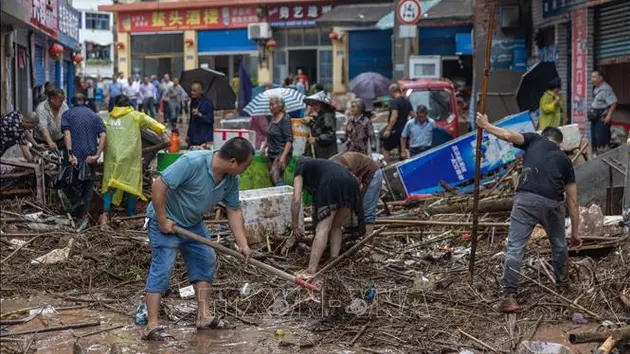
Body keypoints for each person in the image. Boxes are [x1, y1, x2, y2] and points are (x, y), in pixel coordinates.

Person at [143, 138, 254, 341]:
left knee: (206, 259)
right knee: (163, 268)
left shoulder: (231, 179)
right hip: (167, 222)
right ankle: (152, 326)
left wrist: (243, 243)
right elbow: (159, 185)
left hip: (193, 223)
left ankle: (203, 316)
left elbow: (234, 209)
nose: (246, 170)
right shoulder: (192, 162)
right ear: (232, 161)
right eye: (245, 166)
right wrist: (162, 220)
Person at [475, 112, 581, 312]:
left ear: (543, 135)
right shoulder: (565, 159)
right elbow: (573, 201)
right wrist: (575, 233)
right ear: (560, 143)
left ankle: (510, 297)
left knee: (515, 247)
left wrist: (486, 125)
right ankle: (562, 286)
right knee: (559, 245)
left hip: (525, 199)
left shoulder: (534, 139)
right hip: (552, 202)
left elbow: (508, 136)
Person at [291, 157, 365, 278]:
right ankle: (333, 260)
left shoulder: (300, 166)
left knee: (323, 228)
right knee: (336, 226)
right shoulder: (322, 164)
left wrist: (295, 225)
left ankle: (310, 271)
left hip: (330, 184)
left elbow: (296, 198)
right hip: (352, 184)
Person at [100, 95, 167, 227]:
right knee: (131, 182)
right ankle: (130, 213)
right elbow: (153, 123)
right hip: (130, 155)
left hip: (112, 156)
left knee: (109, 182)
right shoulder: (136, 116)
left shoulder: (110, 118)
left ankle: (105, 211)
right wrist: (164, 135)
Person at [61, 94, 106, 231]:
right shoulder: (94, 115)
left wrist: (70, 154)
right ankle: (84, 216)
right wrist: (97, 155)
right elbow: (103, 135)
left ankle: (75, 215)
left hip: (74, 157)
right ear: (85, 102)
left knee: (71, 185)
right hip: (89, 157)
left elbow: (67, 134)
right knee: (88, 187)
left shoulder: (67, 115)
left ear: (72, 102)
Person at [330, 152, 383, 236]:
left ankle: (367, 241)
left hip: (372, 173)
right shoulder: (329, 173)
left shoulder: (341, 170)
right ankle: (354, 234)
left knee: (367, 209)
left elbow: (359, 186)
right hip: (357, 174)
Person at [260, 96, 293, 186]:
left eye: (272, 105)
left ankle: (287, 193)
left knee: (274, 175)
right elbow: (269, 134)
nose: (270, 107)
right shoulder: (272, 118)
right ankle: (279, 197)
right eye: (269, 105)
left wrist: (283, 156)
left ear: (280, 106)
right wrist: (264, 147)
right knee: (273, 178)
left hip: (281, 152)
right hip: (271, 152)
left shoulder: (285, 119)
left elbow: (289, 139)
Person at [381, 84, 412, 163]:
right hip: (405, 130)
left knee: (385, 148)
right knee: (403, 149)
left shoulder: (395, 101)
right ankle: (408, 166)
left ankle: (386, 168)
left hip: (396, 130)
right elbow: (412, 114)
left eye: (389, 93)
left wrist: (388, 129)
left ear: (392, 92)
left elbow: (394, 116)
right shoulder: (407, 101)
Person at [589, 70, 618, 154]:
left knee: (601, 141)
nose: (592, 79)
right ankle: (595, 157)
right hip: (595, 118)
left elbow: (613, 103)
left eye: (594, 77)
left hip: (602, 120)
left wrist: (608, 116)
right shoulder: (596, 88)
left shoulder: (606, 89)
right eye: (591, 77)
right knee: (594, 139)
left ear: (600, 78)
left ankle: (602, 159)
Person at [303, 91, 338, 159]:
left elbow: (330, 134)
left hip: (327, 153)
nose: (314, 107)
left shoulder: (328, 116)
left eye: (316, 104)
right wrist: (310, 122)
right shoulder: (321, 115)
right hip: (321, 152)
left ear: (322, 104)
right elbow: (319, 128)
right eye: (312, 105)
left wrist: (316, 139)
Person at [35, 88, 69, 154]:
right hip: (43, 141)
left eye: (63, 100)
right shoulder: (41, 109)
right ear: (52, 99)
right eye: (60, 100)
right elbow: (43, 128)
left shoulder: (64, 107)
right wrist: (50, 142)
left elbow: (67, 125)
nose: (62, 102)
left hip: (60, 139)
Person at [187, 81, 214, 148]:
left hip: (203, 137)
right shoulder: (193, 102)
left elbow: (210, 120)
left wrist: (200, 114)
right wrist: (188, 134)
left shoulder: (207, 103)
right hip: (193, 137)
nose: (192, 93)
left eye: (195, 91)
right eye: (191, 90)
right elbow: (191, 120)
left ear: (201, 91)